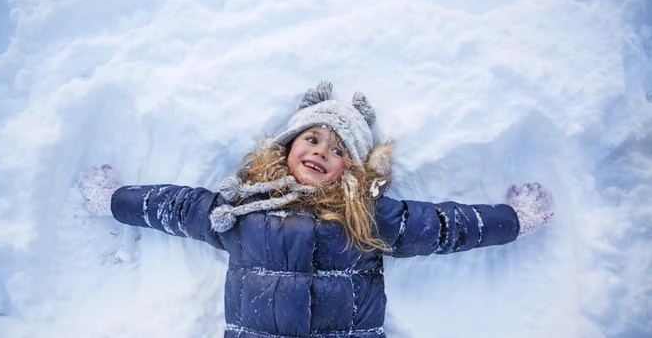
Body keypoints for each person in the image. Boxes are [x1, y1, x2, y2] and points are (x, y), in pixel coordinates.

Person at [78, 81, 553, 338]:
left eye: (338, 148)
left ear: (352, 169)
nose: (321, 150)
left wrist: (512, 220)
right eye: (312, 138)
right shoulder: (241, 210)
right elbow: (179, 207)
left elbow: (445, 226)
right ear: (287, 147)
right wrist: (115, 200)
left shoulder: (367, 217)